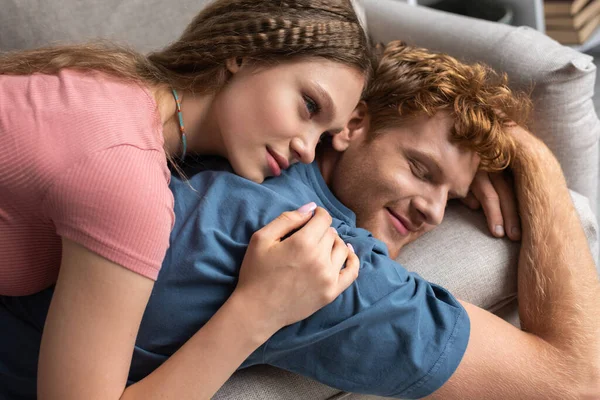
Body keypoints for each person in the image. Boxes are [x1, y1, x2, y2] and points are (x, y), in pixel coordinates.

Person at [9, 40, 594, 399]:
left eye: (453, 196)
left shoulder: (225, 135)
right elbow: (575, 380)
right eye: (419, 169)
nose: (435, 212)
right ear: (353, 124)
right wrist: (535, 159)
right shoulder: (320, 260)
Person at [0, 1, 375, 398]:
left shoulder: (107, 78)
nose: (308, 152)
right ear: (242, 54)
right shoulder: (126, 180)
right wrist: (260, 310)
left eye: (323, 136)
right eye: (310, 105)